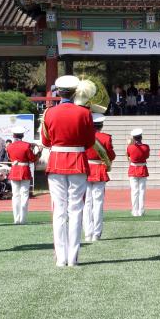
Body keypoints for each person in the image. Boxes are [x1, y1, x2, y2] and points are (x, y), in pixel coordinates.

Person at [40, 75, 96, 267]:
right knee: (76, 209)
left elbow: (46, 141)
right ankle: (73, 258)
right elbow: (89, 142)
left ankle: (61, 257)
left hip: (56, 161)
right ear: (75, 92)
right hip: (78, 161)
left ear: (58, 92)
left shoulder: (48, 113)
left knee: (59, 210)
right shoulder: (84, 113)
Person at [83, 113, 116, 241]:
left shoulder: (84, 137)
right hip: (99, 170)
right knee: (98, 203)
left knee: (86, 203)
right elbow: (111, 156)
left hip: (86, 169)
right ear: (101, 125)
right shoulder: (106, 138)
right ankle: (96, 233)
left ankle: (87, 233)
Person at [6, 126, 38, 225]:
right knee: (24, 195)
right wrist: (38, 152)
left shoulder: (9, 146)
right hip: (24, 170)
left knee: (15, 195)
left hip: (15, 170)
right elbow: (32, 159)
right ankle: (23, 219)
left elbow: (10, 157)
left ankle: (16, 219)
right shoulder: (27, 145)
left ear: (13, 135)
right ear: (23, 135)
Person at [127, 128, 149, 217]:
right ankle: (141, 210)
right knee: (142, 191)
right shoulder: (146, 147)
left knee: (134, 191)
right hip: (142, 168)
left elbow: (129, 156)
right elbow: (147, 156)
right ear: (141, 137)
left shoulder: (130, 147)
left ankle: (134, 210)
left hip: (133, 168)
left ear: (134, 138)